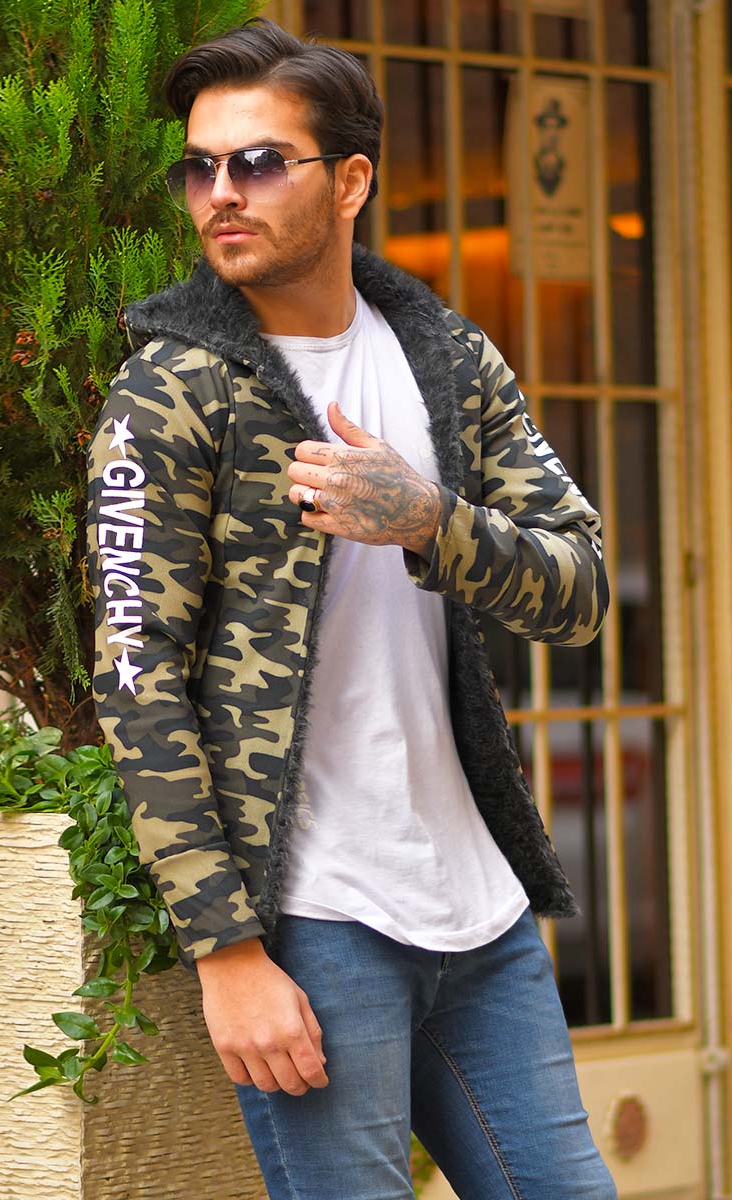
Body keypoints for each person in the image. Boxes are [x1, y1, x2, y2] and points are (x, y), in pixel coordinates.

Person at [87, 17, 615, 1200]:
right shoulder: (170, 387)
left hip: (476, 911)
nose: (222, 193)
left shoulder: (448, 358)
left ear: (351, 181)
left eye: (259, 162)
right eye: (200, 168)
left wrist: (430, 521)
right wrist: (226, 951)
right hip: (314, 920)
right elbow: (135, 670)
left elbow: (580, 588)